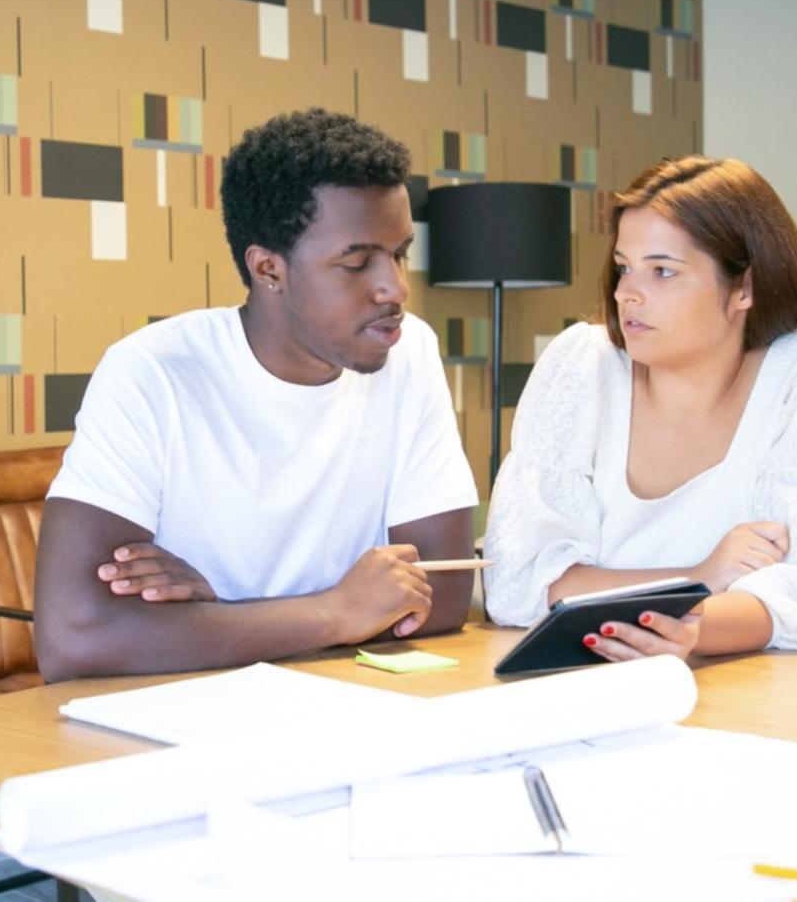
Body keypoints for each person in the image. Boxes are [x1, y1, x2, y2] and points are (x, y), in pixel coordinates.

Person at [33, 109, 479, 682]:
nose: (396, 287)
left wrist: (219, 614)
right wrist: (336, 611)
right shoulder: (152, 373)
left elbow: (441, 593)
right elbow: (75, 638)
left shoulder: (409, 351)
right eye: (356, 262)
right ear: (269, 268)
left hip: (348, 701)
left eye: (399, 253)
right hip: (188, 720)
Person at [483, 156, 797, 661]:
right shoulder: (582, 368)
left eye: (663, 271)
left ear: (744, 287)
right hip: (587, 677)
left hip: (749, 685)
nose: (627, 294)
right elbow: (520, 585)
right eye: (624, 267)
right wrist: (700, 580)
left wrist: (691, 632)